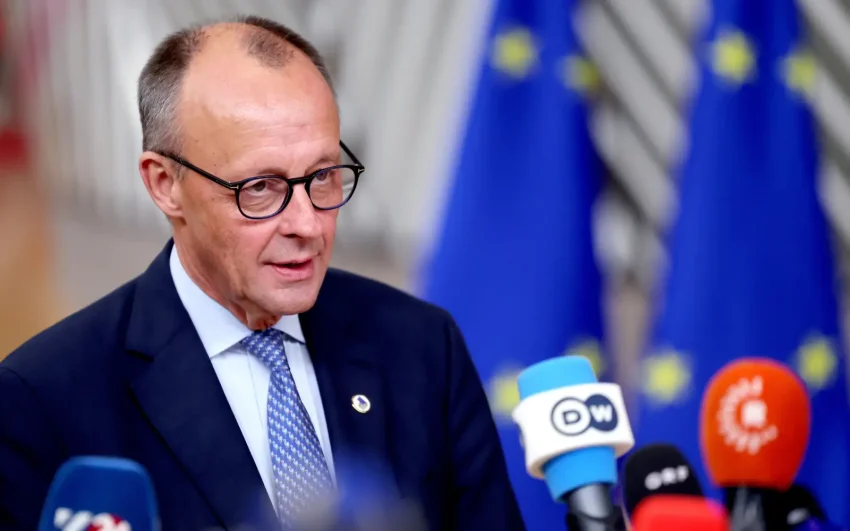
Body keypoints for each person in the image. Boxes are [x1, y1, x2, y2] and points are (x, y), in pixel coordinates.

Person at [0, 15, 525, 531]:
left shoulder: (422, 347)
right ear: (165, 184)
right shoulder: (45, 399)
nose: (307, 224)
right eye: (259, 188)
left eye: (323, 176)